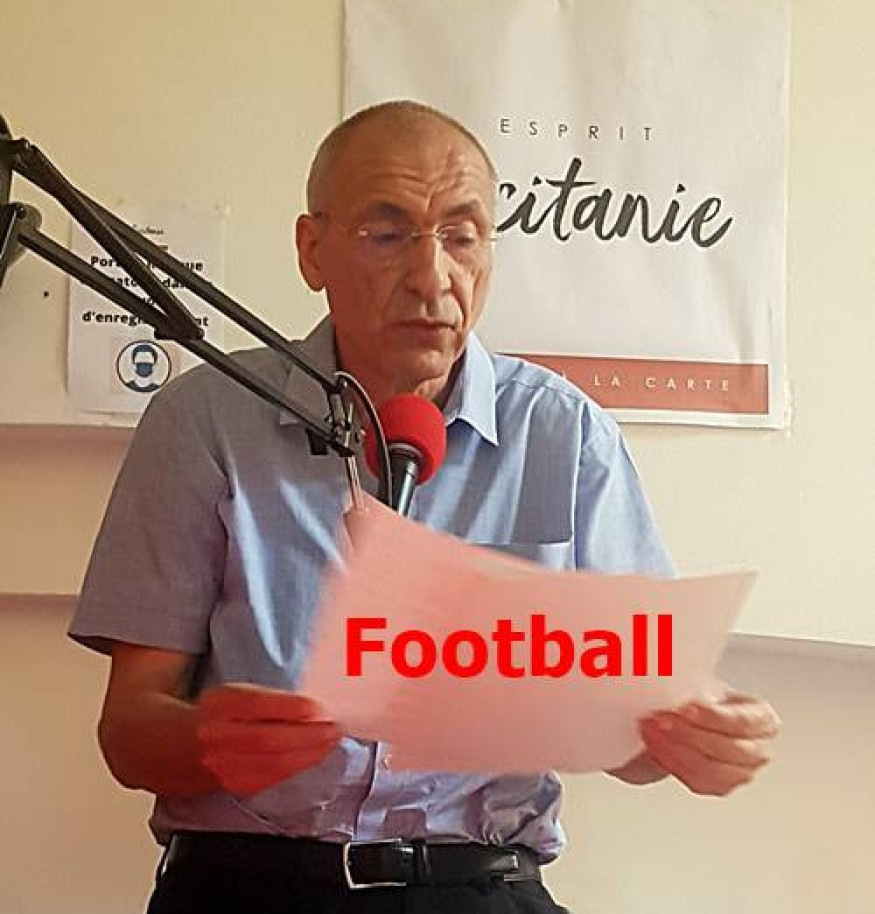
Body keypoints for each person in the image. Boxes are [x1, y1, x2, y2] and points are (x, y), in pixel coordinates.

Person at [70, 101, 779, 914]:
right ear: (311, 249)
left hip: (476, 883)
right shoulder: (207, 418)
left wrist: (692, 737)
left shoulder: (563, 433)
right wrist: (208, 741)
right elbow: (129, 735)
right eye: (386, 233)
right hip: (250, 882)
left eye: (462, 236)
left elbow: (635, 732)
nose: (432, 276)